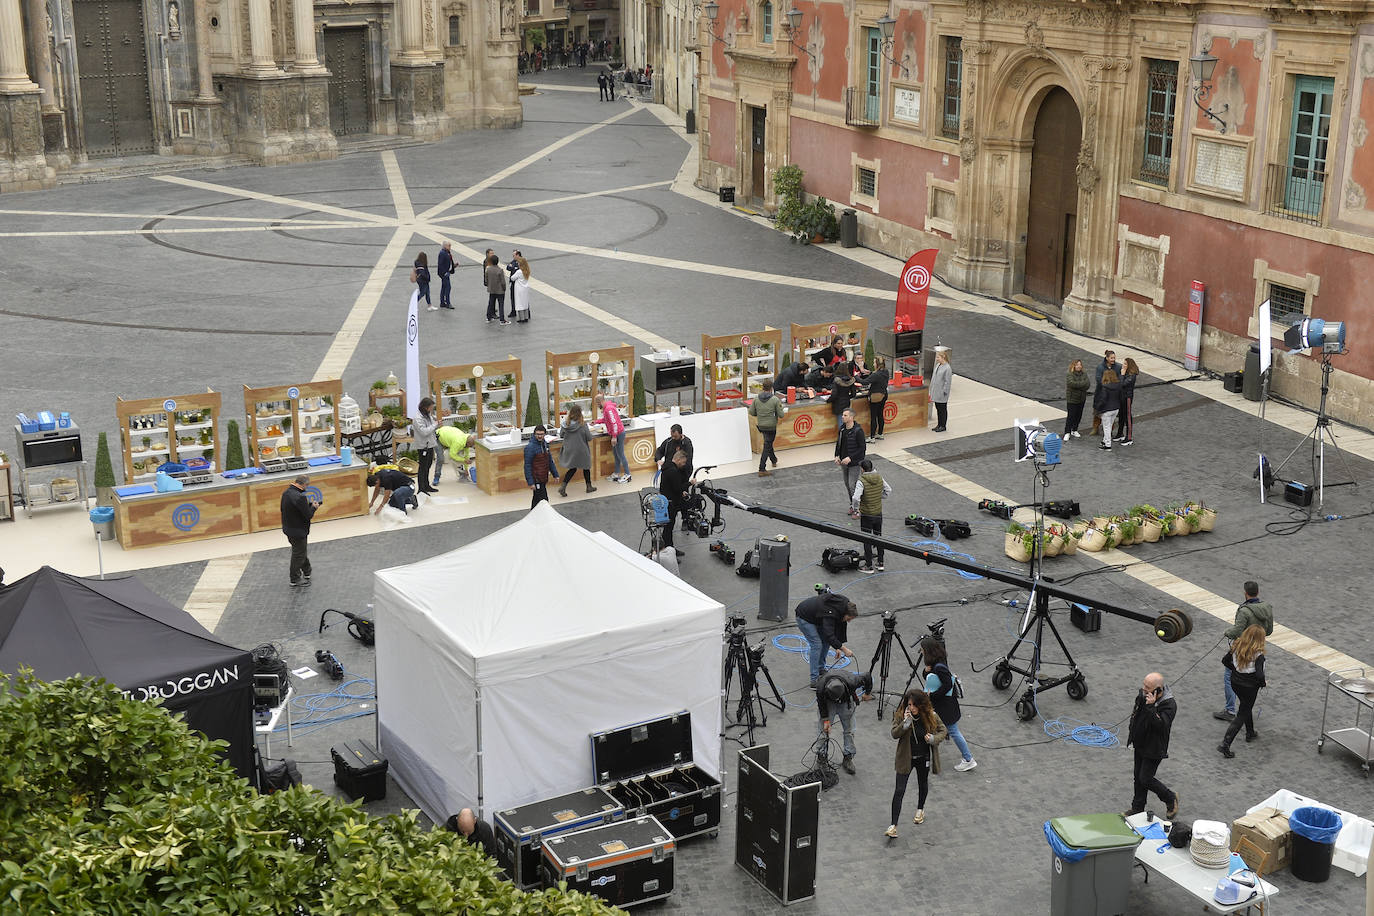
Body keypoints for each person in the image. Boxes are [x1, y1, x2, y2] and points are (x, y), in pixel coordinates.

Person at [885, 688, 947, 837]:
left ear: (921, 705)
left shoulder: (930, 715)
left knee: (922, 782)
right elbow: (894, 733)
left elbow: (943, 730)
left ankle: (920, 809)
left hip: (923, 756)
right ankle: (893, 825)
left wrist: (933, 739)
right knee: (899, 790)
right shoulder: (901, 715)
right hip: (906, 758)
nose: (911, 708)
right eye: (909, 704)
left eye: (914, 705)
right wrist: (905, 724)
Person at [1216, 581, 1275, 721]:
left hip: (1242, 648)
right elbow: (1270, 630)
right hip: (1258, 647)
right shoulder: (1267, 608)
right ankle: (1246, 711)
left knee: (1229, 675)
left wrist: (1227, 632)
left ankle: (1230, 710)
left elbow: (1237, 630)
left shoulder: (1244, 611)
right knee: (1254, 673)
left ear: (1245, 593)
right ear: (1258, 592)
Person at [1125, 671, 1180, 819]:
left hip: (1154, 747)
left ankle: (1170, 797)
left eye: (1148, 687)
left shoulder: (1169, 705)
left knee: (1146, 778)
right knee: (1137, 776)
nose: (1144, 690)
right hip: (1140, 743)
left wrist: (1150, 707)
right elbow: (1135, 714)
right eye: (1144, 685)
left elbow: (1160, 725)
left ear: (1159, 690)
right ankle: (1137, 808)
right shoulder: (1143, 695)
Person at [921, 638, 978, 772]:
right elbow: (932, 679)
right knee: (944, 729)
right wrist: (926, 671)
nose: (921, 652)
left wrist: (932, 696)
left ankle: (968, 759)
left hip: (945, 707)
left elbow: (947, 685)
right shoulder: (937, 664)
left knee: (953, 731)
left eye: (923, 650)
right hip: (944, 705)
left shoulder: (939, 667)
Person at [1218, 625, 1267, 758]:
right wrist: (1263, 684)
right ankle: (1225, 744)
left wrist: (1235, 669)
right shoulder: (1258, 655)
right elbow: (1259, 675)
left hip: (1235, 682)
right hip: (1250, 687)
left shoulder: (1236, 646)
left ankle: (1250, 732)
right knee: (1242, 713)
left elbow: (1225, 661)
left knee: (1246, 706)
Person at [815, 668, 873, 775]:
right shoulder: (821, 687)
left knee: (849, 730)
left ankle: (848, 757)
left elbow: (868, 676)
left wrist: (867, 693)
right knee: (823, 730)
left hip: (846, 702)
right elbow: (821, 703)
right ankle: (821, 756)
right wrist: (825, 719)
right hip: (828, 703)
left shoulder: (853, 681)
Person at [794, 591, 858, 684]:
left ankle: (821, 668)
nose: (849, 621)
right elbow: (829, 634)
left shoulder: (844, 606)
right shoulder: (831, 613)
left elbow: (839, 627)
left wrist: (838, 647)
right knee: (817, 645)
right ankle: (814, 680)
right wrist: (844, 649)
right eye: (848, 619)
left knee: (826, 641)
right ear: (845, 613)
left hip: (818, 617)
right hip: (804, 617)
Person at [851, 459, 891, 573]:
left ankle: (868, 566)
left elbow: (855, 498)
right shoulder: (879, 477)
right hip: (878, 513)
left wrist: (855, 509)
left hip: (867, 515)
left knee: (867, 539)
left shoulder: (861, 481)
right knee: (879, 537)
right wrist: (879, 497)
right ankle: (881, 562)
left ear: (863, 469)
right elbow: (888, 490)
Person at [280, 475, 319, 587]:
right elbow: (307, 515)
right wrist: (313, 507)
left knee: (300, 550)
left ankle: (307, 570)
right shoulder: (300, 497)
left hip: (288, 528)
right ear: (304, 484)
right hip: (298, 530)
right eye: (307, 485)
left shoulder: (286, 493)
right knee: (298, 554)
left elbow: (283, 510)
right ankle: (295, 578)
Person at [557, 404, 596, 496]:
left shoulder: (565, 424)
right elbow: (589, 438)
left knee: (572, 468)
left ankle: (563, 486)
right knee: (586, 467)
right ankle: (589, 486)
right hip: (582, 450)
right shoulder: (583, 424)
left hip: (569, 450)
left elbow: (561, 435)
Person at [748, 380, 785, 476]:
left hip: (761, 425)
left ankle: (773, 460)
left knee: (768, 443)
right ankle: (762, 468)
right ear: (771, 388)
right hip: (771, 426)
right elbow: (781, 415)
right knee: (767, 445)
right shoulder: (775, 400)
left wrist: (760, 414)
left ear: (762, 388)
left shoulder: (756, 399)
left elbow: (751, 412)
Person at [658, 449, 690, 557]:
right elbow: (677, 488)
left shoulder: (667, 467)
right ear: (678, 459)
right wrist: (690, 483)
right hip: (670, 504)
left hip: (667, 500)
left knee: (668, 528)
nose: (683, 464)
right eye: (683, 462)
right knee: (668, 528)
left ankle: (669, 548)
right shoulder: (673, 471)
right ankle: (669, 551)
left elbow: (671, 487)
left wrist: (681, 492)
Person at [834, 408, 865, 515]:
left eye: (845, 415)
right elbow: (838, 443)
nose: (842, 417)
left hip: (854, 463)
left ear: (851, 417)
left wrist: (850, 458)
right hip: (843, 462)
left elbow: (862, 449)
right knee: (847, 485)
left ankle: (857, 508)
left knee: (853, 485)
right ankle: (852, 504)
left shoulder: (858, 431)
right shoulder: (842, 429)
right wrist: (837, 455)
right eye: (843, 415)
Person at [523, 424, 560, 508]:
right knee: (544, 500)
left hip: (543, 477)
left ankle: (533, 517)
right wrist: (531, 482)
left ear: (545, 434)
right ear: (534, 434)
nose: (540, 436)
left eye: (542, 434)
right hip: (536, 478)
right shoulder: (530, 448)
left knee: (537, 500)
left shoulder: (545, 445)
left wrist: (555, 474)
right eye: (538, 434)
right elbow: (527, 466)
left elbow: (549, 460)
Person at [596, 393, 629, 482]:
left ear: (600, 401)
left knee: (621, 454)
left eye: (597, 403)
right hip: (616, 434)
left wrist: (614, 437)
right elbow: (606, 420)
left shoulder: (608, 409)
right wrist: (596, 422)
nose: (596, 405)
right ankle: (617, 473)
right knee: (616, 454)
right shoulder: (607, 408)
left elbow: (614, 423)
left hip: (619, 434)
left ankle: (627, 474)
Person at [1091, 349, 1122, 437]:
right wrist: (1108, 385)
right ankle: (1095, 428)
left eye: (1114, 358)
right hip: (1101, 393)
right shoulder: (1100, 367)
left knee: (1110, 412)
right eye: (1111, 358)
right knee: (1097, 411)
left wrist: (1113, 386)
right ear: (1107, 358)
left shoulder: (1118, 367)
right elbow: (1098, 379)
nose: (1113, 359)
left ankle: (1109, 431)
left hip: (1113, 393)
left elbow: (1119, 378)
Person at [412, 398, 440, 494]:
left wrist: (436, 422)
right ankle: (421, 488)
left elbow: (432, 424)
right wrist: (435, 425)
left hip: (430, 444)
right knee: (423, 467)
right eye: (430, 408)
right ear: (425, 407)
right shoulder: (417, 418)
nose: (431, 410)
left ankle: (426, 485)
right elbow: (424, 432)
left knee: (428, 465)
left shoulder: (427, 415)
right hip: (423, 446)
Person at [1093, 368, 1122, 450]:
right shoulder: (1118, 386)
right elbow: (1121, 397)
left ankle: (1108, 445)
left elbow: (1103, 400)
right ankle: (1104, 441)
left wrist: (1098, 408)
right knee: (1109, 426)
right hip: (1116, 409)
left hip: (1107, 410)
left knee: (1106, 427)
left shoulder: (1105, 387)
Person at [1114, 357, 1139, 445]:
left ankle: (1129, 437)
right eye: (1123, 363)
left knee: (1128, 416)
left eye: (1125, 364)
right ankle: (1120, 433)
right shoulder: (1126, 373)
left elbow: (1122, 384)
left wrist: (1122, 374)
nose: (1123, 365)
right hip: (1121, 396)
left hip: (1127, 397)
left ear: (1129, 365)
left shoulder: (1131, 375)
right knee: (1121, 415)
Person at [1063, 358, 1089, 439]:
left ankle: (1074, 429)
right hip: (1072, 399)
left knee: (1078, 415)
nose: (1079, 366)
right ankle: (1067, 432)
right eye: (1077, 364)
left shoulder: (1084, 374)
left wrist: (1079, 385)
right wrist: (1082, 384)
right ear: (1073, 365)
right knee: (1071, 416)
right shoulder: (1070, 374)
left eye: (1080, 365)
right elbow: (1072, 384)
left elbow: (1087, 384)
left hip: (1081, 398)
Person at [866, 358, 890, 441]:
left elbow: (864, 382)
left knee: (873, 417)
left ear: (877, 364)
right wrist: (870, 373)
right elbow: (876, 376)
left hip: (875, 397)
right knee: (880, 415)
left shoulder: (876, 375)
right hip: (884, 395)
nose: (873, 364)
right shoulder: (885, 372)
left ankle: (872, 437)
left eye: (874, 363)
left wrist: (855, 377)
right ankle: (880, 433)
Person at [930, 349, 952, 432]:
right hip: (936, 391)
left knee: (942, 409)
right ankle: (939, 424)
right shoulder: (938, 365)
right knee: (938, 408)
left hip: (942, 393)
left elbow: (948, 382)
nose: (937, 359)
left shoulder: (947, 368)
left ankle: (943, 425)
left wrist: (944, 392)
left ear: (943, 357)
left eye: (938, 357)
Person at [484, 253, 508, 324]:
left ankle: (488, 318)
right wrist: (504, 288)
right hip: (500, 290)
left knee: (490, 303)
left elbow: (486, 279)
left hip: (492, 289)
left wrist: (489, 285)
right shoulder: (500, 270)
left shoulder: (488, 269)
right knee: (501, 305)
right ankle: (502, 320)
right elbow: (503, 282)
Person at [512, 255, 532, 323]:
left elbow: (512, 278)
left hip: (519, 289)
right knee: (525, 303)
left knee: (519, 303)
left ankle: (521, 318)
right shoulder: (527, 270)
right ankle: (526, 317)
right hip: (525, 288)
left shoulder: (519, 271)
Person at [436, 241, 455, 310]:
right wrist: (444, 273)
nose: (450, 247)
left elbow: (448, 262)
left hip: (447, 272)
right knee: (448, 287)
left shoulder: (447, 252)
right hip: (444, 274)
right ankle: (447, 303)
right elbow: (440, 264)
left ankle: (442, 302)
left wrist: (453, 266)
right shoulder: (442, 253)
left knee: (444, 287)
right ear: (445, 246)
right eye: (449, 246)